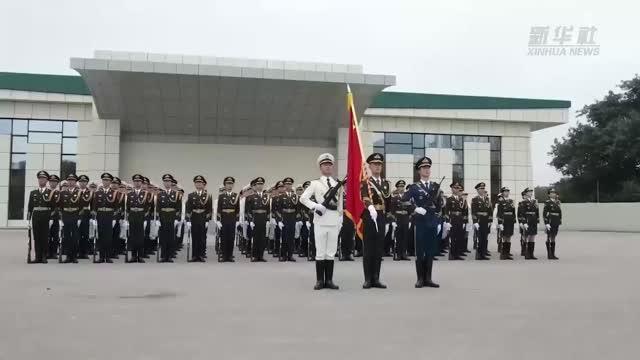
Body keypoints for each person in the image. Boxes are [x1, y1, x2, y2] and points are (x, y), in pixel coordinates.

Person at [300, 153, 341, 290]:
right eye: (325, 165)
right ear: (320, 167)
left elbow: (340, 203)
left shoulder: (338, 184)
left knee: (331, 252)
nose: (328, 167)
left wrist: (340, 218)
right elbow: (303, 198)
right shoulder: (315, 183)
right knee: (320, 252)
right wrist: (316, 206)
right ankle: (319, 281)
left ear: (332, 167)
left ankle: (329, 280)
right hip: (320, 221)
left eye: (330, 165)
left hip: (334, 220)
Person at [402, 157, 443, 288]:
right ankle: (420, 278)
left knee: (430, 250)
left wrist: (438, 222)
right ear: (419, 171)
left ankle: (428, 278)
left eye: (428, 168)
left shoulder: (435, 187)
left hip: (431, 221)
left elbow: (439, 206)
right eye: (424, 168)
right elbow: (404, 201)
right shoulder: (414, 187)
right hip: (420, 222)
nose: (427, 170)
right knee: (420, 250)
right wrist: (415, 209)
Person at [360, 152, 390, 289]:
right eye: (374, 164)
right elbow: (364, 196)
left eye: (379, 165)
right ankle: (367, 279)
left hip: (381, 217)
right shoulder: (366, 182)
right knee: (368, 250)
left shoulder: (386, 183)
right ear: (370, 166)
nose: (377, 167)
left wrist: (388, 220)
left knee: (378, 250)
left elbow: (389, 203)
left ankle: (376, 278)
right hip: (369, 216)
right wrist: (370, 206)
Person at [27, 171, 54, 263]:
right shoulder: (33, 193)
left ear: (46, 180)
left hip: (45, 216)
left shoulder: (50, 192)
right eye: (40, 178)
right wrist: (28, 220)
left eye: (43, 178)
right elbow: (30, 207)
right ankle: (37, 256)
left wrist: (51, 219)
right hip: (36, 216)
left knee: (44, 237)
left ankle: (44, 256)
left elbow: (54, 208)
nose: (41, 180)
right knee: (36, 237)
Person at [185, 175, 213, 262]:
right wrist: (188, 220)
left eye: (200, 183)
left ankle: (201, 255)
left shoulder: (208, 196)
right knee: (195, 236)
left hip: (203, 218)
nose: (198, 184)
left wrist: (207, 220)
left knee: (202, 237)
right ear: (194, 184)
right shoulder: (191, 195)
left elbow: (209, 209)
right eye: (197, 183)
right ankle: (194, 256)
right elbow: (188, 208)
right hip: (194, 218)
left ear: (203, 184)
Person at [125, 174, 151, 263]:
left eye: (139, 181)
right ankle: (133, 255)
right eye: (135, 181)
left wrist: (145, 218)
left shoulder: (146, 194)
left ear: (141, 183)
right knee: (132, 236)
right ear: (133, 182)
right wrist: (127, 218)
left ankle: (140, 256)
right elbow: (128, 207)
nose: (137, 183)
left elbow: (148, 207)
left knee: (140, 237)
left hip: (141, 217)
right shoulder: (129, 194)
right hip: (132, 217)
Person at [156, 174, 182, 263]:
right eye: (165, 181)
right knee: (163, 237)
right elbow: (158, 208)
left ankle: (169, 256)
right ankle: (163, 256)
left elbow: (179, 208)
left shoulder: (177, 194)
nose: (167, 183)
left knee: (171, 238)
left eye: (168, 181)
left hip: (172, 218)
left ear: (171, 182)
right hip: (163, 218)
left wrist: (177, 219)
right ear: (163, 183)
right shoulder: (160, 194)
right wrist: (157, 219)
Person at [92, 173, 117, 263]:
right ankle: (102, 256)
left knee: (109, 237)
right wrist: (94, 218)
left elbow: (116, 207)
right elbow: (94, 207)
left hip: (109, 216)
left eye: (107, 180)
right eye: (104, 180)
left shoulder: (114, 193)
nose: (105, 182)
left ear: (110, 182)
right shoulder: (97, 193)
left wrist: (114, 218)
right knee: (101, 236)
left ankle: (108, 256)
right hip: (100, 215)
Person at [273, 177, 298, 262]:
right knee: (284, 237)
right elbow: (277, 210)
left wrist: (297, 218)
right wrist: (279, 220)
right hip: (284, 217)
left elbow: (298, 208)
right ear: (284, 185)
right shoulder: (280, 197)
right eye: (287, 184)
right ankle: (283, 255)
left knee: (291, 236)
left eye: (290, 184)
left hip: (292, 217)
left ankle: (290, 255)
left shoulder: (295, 196)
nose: (288, 185)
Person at [57, 174, 81, 263]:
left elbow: (82, 207)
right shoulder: (62, 193)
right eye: (69, 180)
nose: (71, 182)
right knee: (66, 237)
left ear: (75, 182)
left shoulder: (79, 192)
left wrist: (79, 218)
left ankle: (74, 256)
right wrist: (60, 218)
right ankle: (67, 256)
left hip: (75, 216)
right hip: (66, 216)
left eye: (73, 180)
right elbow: (60, 207)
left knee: (75, 237)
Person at [245, 177, 270, 262]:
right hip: (255, 218)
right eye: (258, 184)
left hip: (263, 218)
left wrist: (267, 220)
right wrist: (250, 221)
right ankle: (255, 256)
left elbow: (268, 210)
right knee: (255, 238)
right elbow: (248, 211)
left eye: (261, 184)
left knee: (262, 238)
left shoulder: (266, 197)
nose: (260, 186)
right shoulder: (250, 197)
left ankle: (261, 256)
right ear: (255, 185)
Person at [388, 180, 412, 261]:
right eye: (400, 187)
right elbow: (392, 210)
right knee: (398, 237)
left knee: (405, 237)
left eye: (402, 187)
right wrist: (393, 221)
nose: (401, 188)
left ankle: (404, 254)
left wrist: (410, 220)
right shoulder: (394, 198)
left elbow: (410, 209)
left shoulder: (407, 197)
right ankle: (398, 254)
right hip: (398, 218)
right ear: (397, 188)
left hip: (405, 218)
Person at [217, 176, 239, 262]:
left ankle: (230, 255)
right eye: (227, 184)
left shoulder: (235, 196)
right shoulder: (221, 196)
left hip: (232, 219)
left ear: (233, 185)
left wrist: (237, 220)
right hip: (224, 219)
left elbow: (237, 209)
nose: (229, 185)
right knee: (224, 237)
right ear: (225, 185)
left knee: (231, 237)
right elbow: (219, 208)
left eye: (231, 184)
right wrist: (218, 220)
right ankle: (224, 255)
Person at [442, 182, 465, 261]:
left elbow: (463, 211)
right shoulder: (449, 199)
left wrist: (464, 221)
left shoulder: (461, 199)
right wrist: (447, 222)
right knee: (453, 237)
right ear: (452, 189)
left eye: (458, 188)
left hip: (459, 219)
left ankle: (457, 254)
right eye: (455, 188)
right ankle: (452, 254)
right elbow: (446, 211)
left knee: (459, 237)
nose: (457, 189)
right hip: (453, 219)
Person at [471, 182, 492, 260]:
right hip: (479, 221)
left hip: (485, 221)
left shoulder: (487, 199)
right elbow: (473, 212)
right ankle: (478, 255)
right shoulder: (475, 199)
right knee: (479, 238)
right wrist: (475, 221)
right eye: (481, 189)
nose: (483, 190)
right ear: (477, 190)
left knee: (484, 238)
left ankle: (483, 254)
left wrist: (490, 220)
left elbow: (490, 210)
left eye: (483, 188)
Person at [519, 187, 539, 260]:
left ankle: (531, 254)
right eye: (529, 191)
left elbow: (537, 213)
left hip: (533, 220)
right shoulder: (523, 202)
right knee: (526, 237)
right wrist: (524, 222)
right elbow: (522, 213)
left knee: (532, 237)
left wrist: (538, 221)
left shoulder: (534, 202)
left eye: (531, 191)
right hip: (528, 221)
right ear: (526, 193)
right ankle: (526, 253)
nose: (531, 193)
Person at [496, 186, 516, 260]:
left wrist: (514, 220)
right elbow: (499, 213)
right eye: (505, 191)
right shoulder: (500, 201)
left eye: (508, 191)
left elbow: (513, 211)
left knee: (509, 236)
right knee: (504, 237)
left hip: (510, 220)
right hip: (504, 220)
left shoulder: (511, 201)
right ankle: (503, 254)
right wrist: (500, 223)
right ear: (502, 193)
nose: (507, 192)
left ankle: (507, 254)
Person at [77, 175, 92, 259]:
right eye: (81, 181)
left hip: (86, 215)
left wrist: (93, 215)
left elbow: (93, 204)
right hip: (77, 214)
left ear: (87, 183)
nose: (82, 183)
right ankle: (78, 252)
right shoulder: (75, 191)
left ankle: (85, 252)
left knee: (85, 234)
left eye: (84, 182)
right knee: (77, 234)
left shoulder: (90, 192)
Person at [543, 188, 561, 260]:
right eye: (551, 193)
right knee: (549, 236)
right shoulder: (547, 202)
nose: (553, 194)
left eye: (554, 193)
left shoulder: (558, 202)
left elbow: (559, 212)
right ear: (549, 194)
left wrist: (560, 220)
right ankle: (549, 254)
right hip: (550, 221)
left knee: (554, 236)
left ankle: (553, 254)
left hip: (556, 221)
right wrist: (546, 223)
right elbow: (544, 213)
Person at [47, 174, 61, 259]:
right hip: (47, 217)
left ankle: (54, 252)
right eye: (51, 182)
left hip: (56, 217)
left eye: (55, 182)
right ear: (49, 182)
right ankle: (48, 252)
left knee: (55, 235)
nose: (53, 183)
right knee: (47, 235)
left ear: (57, 183)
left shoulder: (59, 193)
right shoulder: (45, 192)